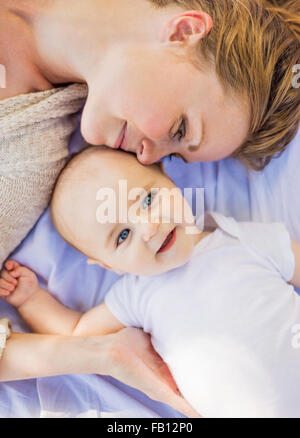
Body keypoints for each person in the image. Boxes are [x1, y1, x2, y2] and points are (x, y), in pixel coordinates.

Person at [0, 0, 299, 414]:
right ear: (182, 32)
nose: (146, 157)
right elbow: (80, 329)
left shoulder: (38, 157)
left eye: (171, 159)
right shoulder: (136, 290)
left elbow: (82, 334)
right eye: (180, 128)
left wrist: (100, 356)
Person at [1, 145, 300, 417]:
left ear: (168, 179)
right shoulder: (134, 295)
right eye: (122, 236)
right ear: (109, 265)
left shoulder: (239, 238)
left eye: (147, 199)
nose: (148, 228)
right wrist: (31, 300)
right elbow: (77, 332)